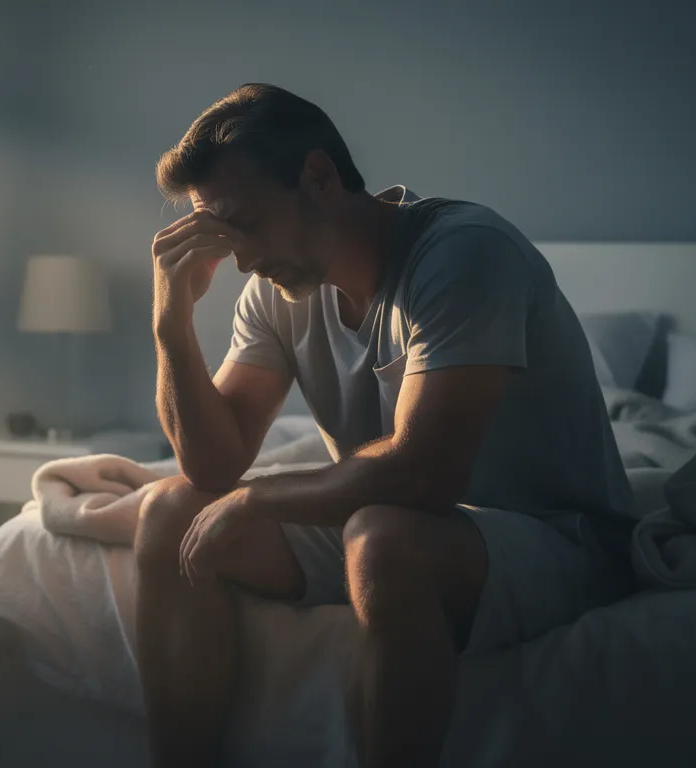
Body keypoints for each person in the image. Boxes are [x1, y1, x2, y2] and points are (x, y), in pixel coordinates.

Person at [138, 82, 635, 768]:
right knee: (169, 511)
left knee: (383, 537)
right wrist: (171, 324)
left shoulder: (465, 254)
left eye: (247, 225)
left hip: (558, 541)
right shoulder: (276, 291)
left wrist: (258, 498)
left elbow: (425, 474)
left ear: (318, 175)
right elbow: (212, 468)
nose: (244, 261)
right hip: (392, 528)